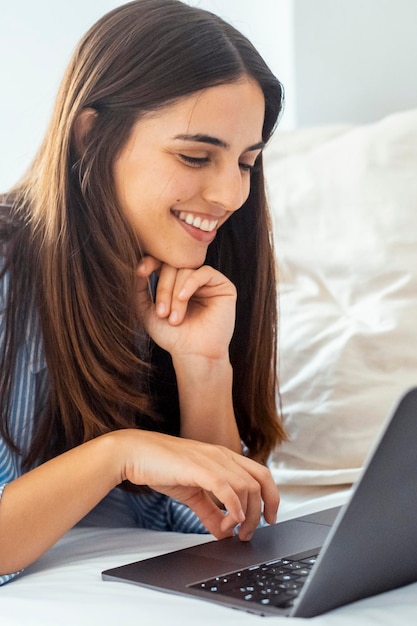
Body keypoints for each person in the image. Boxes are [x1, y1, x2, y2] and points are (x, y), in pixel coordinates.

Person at [0, 0, 286, 584]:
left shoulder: (197, 280)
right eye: (195, 156)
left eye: (246, 163)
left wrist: (202, 365)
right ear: (91, 134)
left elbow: (222, 526)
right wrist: (118, 454)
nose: (230, 194)